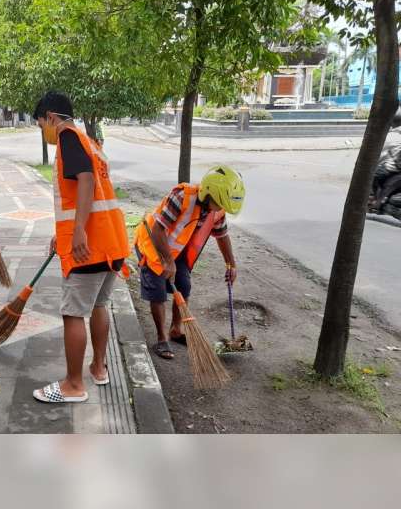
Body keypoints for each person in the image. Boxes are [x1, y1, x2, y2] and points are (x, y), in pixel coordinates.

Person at [32, 91, 130, 404]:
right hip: (111, 243)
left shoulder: (68, 138)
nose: (43, 132)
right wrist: (61, 233)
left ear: (51, 117)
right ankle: (99, 368)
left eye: (40, 125)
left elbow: (85, 181)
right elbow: (83, 192)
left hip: (89, 246)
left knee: (73, 313)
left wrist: (76, 233)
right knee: (98, 306)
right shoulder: (91, 142)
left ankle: (73, 385)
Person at [134, 166, 244, 360]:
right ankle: (161, 338)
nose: (220, 208)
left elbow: (222, 235)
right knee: (158, 292)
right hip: (152, 243)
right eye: (218, 203)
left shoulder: (217, 211)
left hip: (177, 250)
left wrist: (231, 264)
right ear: (208, 192)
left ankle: (176, 330)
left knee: (184, 286)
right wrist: (168, 261)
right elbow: (158, 229)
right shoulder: (182, 197)